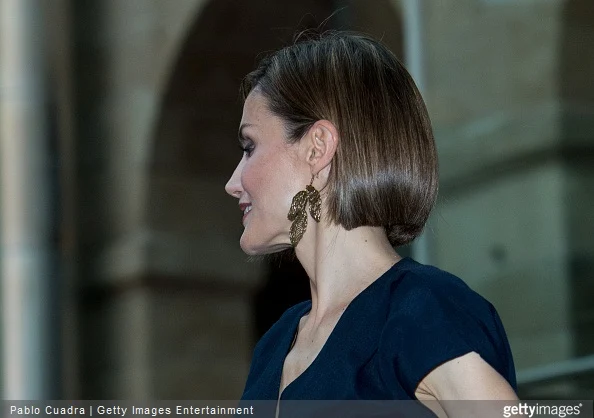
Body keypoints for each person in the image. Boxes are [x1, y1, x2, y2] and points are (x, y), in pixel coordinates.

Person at [225, 31, 518, 416]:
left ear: (317, 147)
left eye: (250, 147)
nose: (232, 183)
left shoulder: (424, 311)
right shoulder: (275, 343)